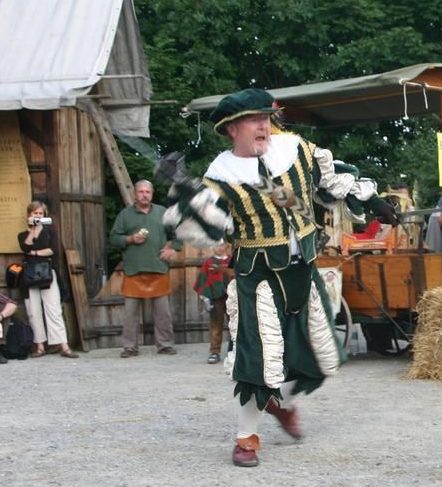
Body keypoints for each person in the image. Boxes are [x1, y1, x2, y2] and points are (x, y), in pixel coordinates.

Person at [161, 88, 398, 467]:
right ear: (231, 129)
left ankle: (281, 402)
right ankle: (246, 437)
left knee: (323, 355)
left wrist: (373, 201)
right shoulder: (219, 177)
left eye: (266, 118)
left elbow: (331, 181)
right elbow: (207, 229)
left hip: (302, 267)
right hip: (256, 276)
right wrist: (181, 188)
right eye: (254, 120)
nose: (263, 125)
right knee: (257, 359)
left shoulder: (297, 151)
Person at [109, 180, 183, 358]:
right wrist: (130, 239)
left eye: (147, 192)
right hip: (134, 270)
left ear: (152, 194)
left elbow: (179, 233)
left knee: (163, 313)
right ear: (135, 194)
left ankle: (165, 345)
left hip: (158, 268)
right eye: (141, 192)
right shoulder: (125, 215)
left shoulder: (163, 213)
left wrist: (173, 249)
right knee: (130, 315)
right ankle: (130, 347)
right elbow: (113, 238)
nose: (144, 195)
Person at [17, 201, 78, 358]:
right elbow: (25, 247)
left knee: (54, 310)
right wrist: (33, 230)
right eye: (35, 213)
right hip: (30, 276)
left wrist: (35, 253)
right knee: (33, 312)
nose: (38, 216)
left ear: (45, 216)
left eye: (41, 214)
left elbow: (53, 250)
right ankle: (40, 346)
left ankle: (63, 345)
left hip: (47, 273)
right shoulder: (22, 234)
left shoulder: (50, 231)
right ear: (29, 215)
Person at [193, 240, 234, 364]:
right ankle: (215, 352)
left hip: (232, 298)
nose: (219, 248)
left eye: (221, 245)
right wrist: (205, 298)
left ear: (227, 246)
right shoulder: (209, 263)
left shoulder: (231, 261)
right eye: (216, 245)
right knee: (216, 326)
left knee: (235, 325)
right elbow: (203, 281)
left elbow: (238, 276)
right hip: (216, 299)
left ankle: (236, 351)